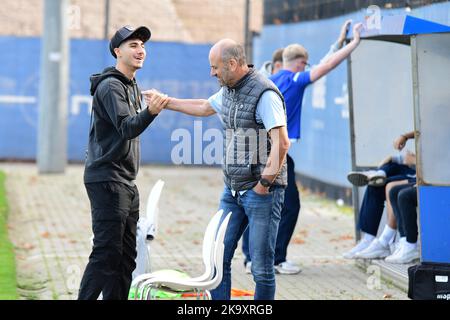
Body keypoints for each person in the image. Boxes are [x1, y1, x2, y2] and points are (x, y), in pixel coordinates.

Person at [144, 38, 290, 300]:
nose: (212, 73)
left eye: (215, 67)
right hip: (232, 191)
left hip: (261, 193)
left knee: (261, 269)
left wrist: (264, 185)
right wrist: (164, 102)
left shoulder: (265, 94)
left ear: (232, 64)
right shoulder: (231, 89)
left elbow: (282, 143)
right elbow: (203, 107)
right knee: (218, 259)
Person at [242, 20, 362, 275]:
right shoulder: (295, 80)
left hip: (259, 151)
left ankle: (253, 258)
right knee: (289, 206)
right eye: (305, 64)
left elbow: (319, 64)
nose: (307, 68)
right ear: (299, 63)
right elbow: (325, 66)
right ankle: (274, 259)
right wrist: (353, 44)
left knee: (259, 203)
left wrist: (338, 42)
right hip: (275, 154)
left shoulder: (270, 79)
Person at [78, 25, 168, 300]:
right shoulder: (110, 86)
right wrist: (151, 112)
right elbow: (127, 127)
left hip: (125, 182)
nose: (140, 50)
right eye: (133, 45)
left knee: (126, 258)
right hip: (107, 180)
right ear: (117, 51)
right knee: (106, 254)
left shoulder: (130, 85)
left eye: (142, 45)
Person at [343, 132, 417, 259]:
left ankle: (386, 241)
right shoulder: (429, 125)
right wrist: (397, 154)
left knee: (390, 187)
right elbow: (415, 152)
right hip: (413, 167)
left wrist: (414, 160)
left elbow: (435, 162)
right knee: (375, 184)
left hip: (421, 174)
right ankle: (368, 239)